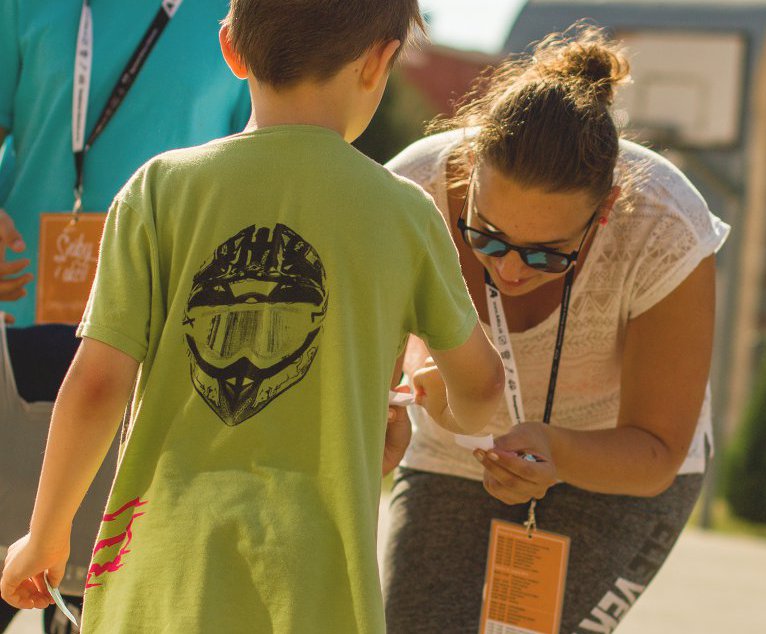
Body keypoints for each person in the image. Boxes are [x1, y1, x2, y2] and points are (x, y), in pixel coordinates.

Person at [0, 1, 504, 632]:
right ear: (380, 61)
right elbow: (483, 390)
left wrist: (45, 536)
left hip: (156, 584)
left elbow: (97, 384)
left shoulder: (157, 190)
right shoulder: (405, 214)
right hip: (316, 599)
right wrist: (431, 394)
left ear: (231, 49)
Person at [382, 25, 730, 633]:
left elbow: (655, 453)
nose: (510, 269)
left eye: (547, 254)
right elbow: (372, 379)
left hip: (614, 468)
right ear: (466, 172)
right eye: (485, 234)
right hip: (452, 457)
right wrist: (386, 412)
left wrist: (559, 451)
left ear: (604, 211)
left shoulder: (665, 226)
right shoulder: (410, 193)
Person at [0, 2, 251, 630]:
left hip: (153, 351)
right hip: (11, 330)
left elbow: (256, 171)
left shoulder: (241, 14)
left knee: (99, 603)